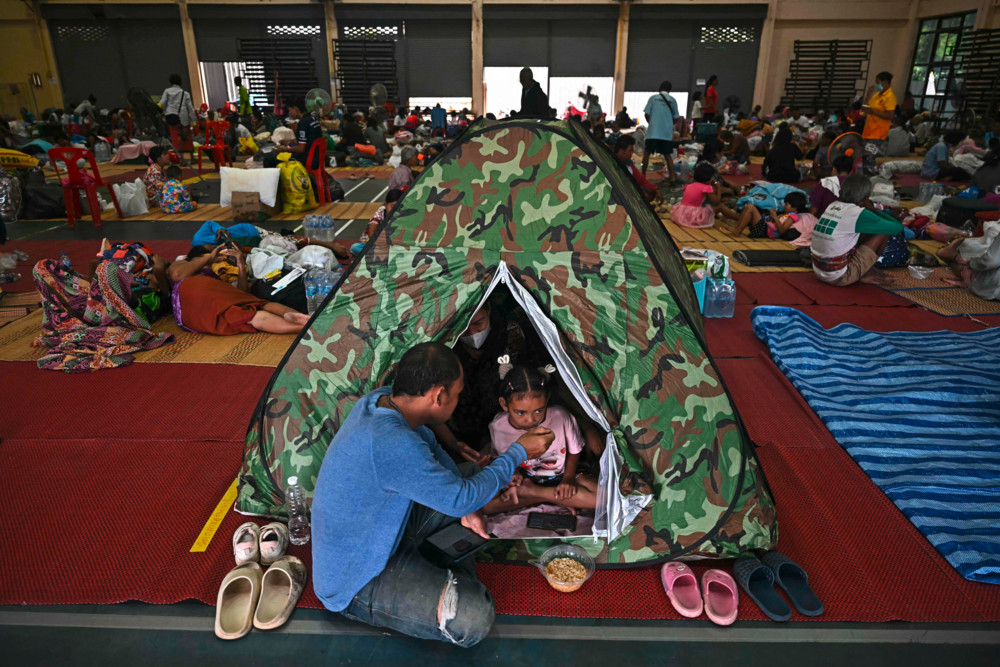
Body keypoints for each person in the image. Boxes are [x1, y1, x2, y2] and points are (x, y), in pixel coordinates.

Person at [311, 342, 554, 647]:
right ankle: (434, 577)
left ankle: (436, 567)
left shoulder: (382, 400)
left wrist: (464, 500)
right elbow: (460, 495)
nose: (459, 398)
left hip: (391, 526)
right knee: (473, 617)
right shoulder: (390, 441)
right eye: (457, 393)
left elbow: (428, 442)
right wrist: (518, 451)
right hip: (357, 577)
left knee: (468, 477)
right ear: (439, 396)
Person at [480, 364, 597, 514]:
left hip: (564, 474)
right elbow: (503, 458)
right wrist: (513, 474)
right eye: (521, 412)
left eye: (538, 410)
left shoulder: (561, 417)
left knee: (604, 497)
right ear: (504, 404)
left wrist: (567, 479)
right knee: (487, 506)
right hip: (526, 478)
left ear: (547, 399)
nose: (530, 420)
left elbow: (575, 451)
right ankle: (553, 497)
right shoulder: (498, 427)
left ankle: (533, 494)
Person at [168, 243, 309, 334]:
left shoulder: (215, 275)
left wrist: (241, 265)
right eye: (213, 250)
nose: (219, 253)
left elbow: (240, 295)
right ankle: (302, 321)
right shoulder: (181, 264)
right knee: (257, 305)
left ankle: (302, 323)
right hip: (189, 293)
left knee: (250, 313)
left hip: (201, 310)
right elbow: (177, 275)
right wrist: (209, 258)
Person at [810, 174, 903, 287]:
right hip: (839, 277)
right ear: (866, 197)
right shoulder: (857, 213)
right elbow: (896, 227)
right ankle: (863, 273)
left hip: (819, 271)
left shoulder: (833, 205)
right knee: (883, 231)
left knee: (865, 230)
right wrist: (871, 207)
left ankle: (863, 271)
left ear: (841, 191)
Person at [671, 162, 737, 228]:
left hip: (681, 214)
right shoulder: (706, 188)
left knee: (708, 205)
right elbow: (716, 201)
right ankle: (738, 218)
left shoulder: (689, 185)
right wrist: (718, 187)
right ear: (708, 177)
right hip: (694, 217)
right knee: (720, 206)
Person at [642, 80, 680, 183]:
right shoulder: (672, 100)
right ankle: (672, 178)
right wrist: (668, 124)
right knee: (667, 156)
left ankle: (642, 176)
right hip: (666, 134)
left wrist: (652, 123)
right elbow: (676, 117)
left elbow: (646, 114)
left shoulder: (653, 98)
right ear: (669, 90)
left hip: (653, 132)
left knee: (647, 153)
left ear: (660, 88)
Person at [860, 71, 897, 175]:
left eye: (878, 82)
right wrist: (868, 95)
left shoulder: (890, 96)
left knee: (869, 154)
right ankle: (868, 174)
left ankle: (873, 175)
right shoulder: (877, 95)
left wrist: (874, 112)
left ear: (885, 82)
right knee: (866, 155)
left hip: (878, 132)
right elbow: (864, 108)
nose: (876, 85)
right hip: (870, 130)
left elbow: (890, 115)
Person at [351, 188, 403, 256]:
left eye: (399, 207)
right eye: (392, 206)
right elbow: (371, 236)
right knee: (354, 248)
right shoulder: (378, 215)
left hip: (392, 245)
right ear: (385, 204)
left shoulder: (402, 216)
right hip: (373, 244)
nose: (395, 210)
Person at [161, 74, 197, 165]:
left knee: (176, 139)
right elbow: (190, 108)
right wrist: (194, 120)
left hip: (172, 118)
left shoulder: (167, 91)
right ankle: (192, 158)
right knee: (187, 138)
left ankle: (182, 160)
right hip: (183, 118)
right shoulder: (185, 93)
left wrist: (164, 113)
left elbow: (162, 103)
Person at [613, 134, 658, 202]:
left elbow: (641, 179)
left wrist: (656, 189)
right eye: (630, 151)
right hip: (615, 196)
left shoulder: (628, 164)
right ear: (622, 151)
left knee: (649, 193)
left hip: (628, 193)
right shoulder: (611, 163)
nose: (632, 153)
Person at [285, 98, 324, 169]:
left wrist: (284, 149)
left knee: (275, 159)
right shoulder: (312, 119)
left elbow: (301, 149)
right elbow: (310, 138)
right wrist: (292, 141)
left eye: (289, 110)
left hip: (309, 160)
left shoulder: (303, 123)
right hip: (318, 158)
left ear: (295, 109)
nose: (289, 113)